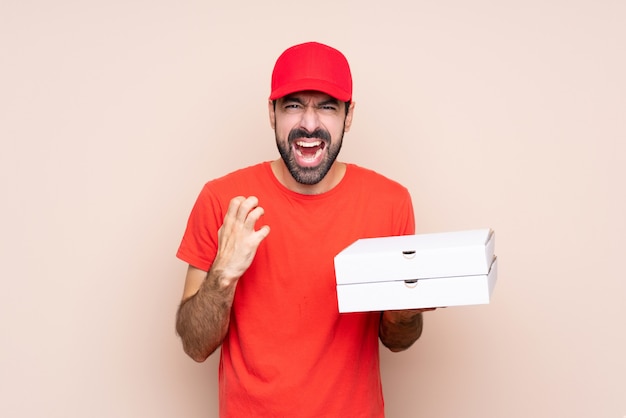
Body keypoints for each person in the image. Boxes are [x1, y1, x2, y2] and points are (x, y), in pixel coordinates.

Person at [175, 41, 435, 417]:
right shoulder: (223, 200)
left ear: (348, 115)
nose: (309, 124)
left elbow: (397, 341)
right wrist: (223, 276)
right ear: (271, 112)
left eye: (327, 107)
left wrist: (405, 311)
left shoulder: (390, 203)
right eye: (293, 105)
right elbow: (194, 345)